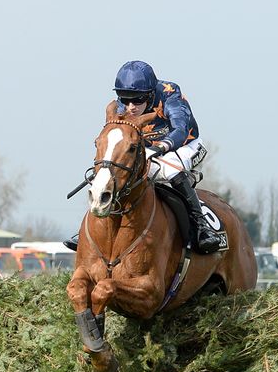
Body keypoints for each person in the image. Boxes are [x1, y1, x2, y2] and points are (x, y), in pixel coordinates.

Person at [64, 60, 221, 253]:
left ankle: (201, 226)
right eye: (125, 99)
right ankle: (92, 225)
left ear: (151, 94)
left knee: (170, 167)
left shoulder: (170, 94)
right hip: (146, 148)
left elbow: (180, 129)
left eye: (138, 100)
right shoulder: (121, 106)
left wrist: (161, 147)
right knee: (115, 173)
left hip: (185, 144)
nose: (130, 107)